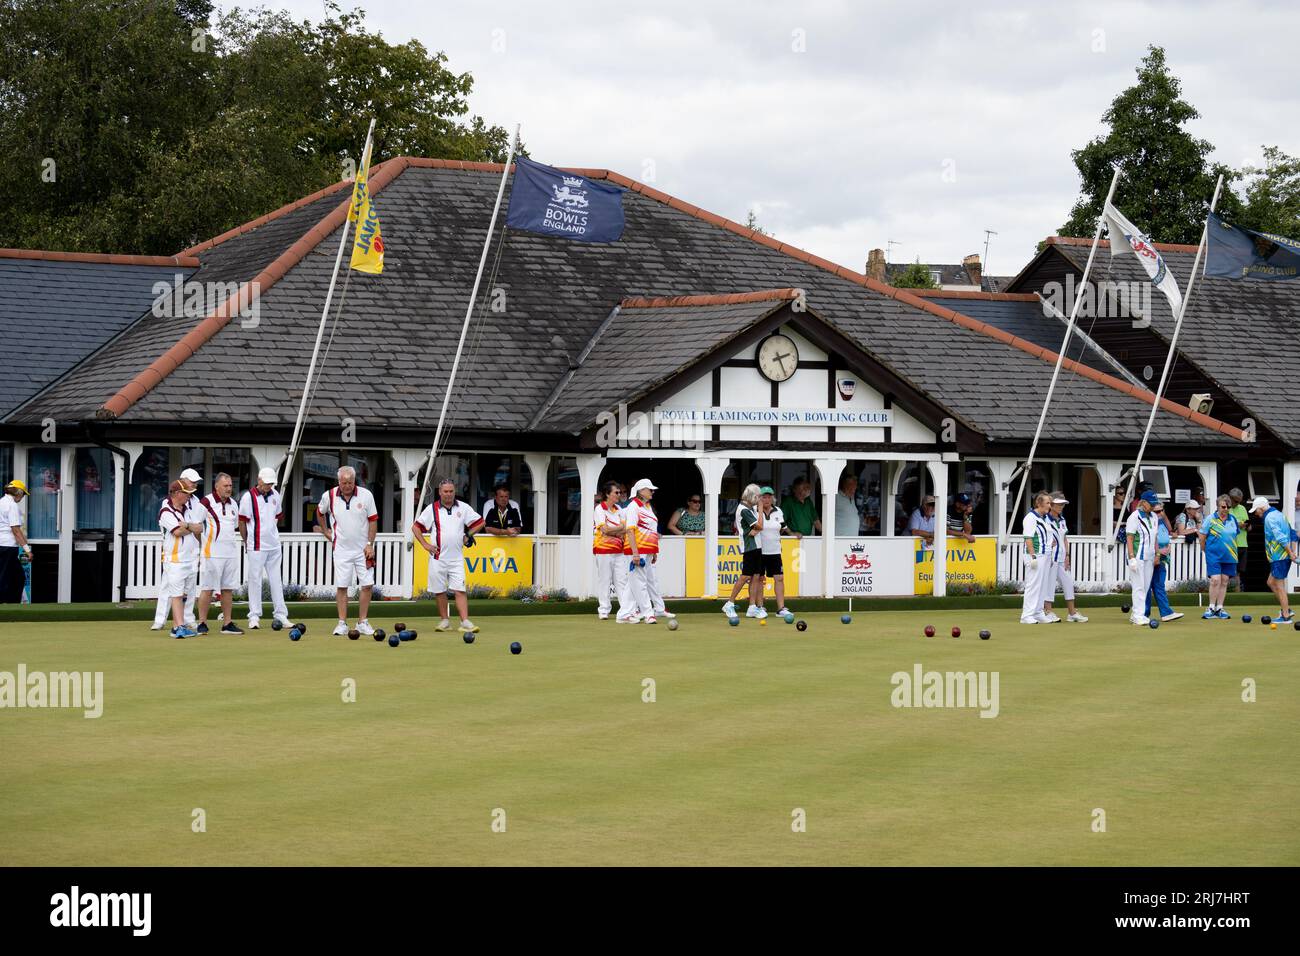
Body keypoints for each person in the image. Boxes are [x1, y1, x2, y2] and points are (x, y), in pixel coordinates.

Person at [412, 478, 484, 634]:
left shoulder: (463, 508)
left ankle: (465, 622)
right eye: (445, 491)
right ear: (439, 492)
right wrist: (425, 545)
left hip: (456, 557)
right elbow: (416, 527)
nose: (449, 494)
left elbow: (480, 522)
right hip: (438, 557)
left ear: (454, 491)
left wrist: (467, 534)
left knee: (460, 590)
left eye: (451, 491)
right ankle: (445, 621)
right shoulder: (431, 509)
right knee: (439, 591)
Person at [317, 465, 378, 636]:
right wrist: (326, 531)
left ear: (354, 481)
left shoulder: (366, 495)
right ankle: (342, 623)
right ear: (338, 482)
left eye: (350, 482)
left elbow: (373, 521)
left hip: (363, 550)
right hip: (341, 550)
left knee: (367, 585)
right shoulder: (328, 496)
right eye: (344, 483)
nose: (347, 486)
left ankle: (362, 622)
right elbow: (319, 512)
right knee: (342, 586)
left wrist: (369, 543)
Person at [239, 466, 292, 630]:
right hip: (256, 545)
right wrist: (247, 541)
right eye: (267, 483)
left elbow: (277, 517)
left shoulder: (276, 495)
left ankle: (281, 615)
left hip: (274, 545)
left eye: (271, 483)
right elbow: (242, 522)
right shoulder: (248, 497)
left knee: (276, 579)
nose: (269, 486)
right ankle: (254, 616)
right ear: (259, 480)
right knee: (255, 580)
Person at [152, 468, 203, 630]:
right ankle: (161, 620)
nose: (194, 485)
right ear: (182, 482)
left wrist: (188, 526)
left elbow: (199, 527)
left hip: (191, 552)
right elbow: (178, 531)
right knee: (169, 589)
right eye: (191, 482)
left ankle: (187, 619)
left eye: (195, 483)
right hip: (173, 555)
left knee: (189, 589)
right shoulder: (167, 504)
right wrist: (190, 527)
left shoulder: (194, 502)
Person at [195, 473, 243, 635]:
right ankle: (202, 623)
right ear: (217, 487)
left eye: (230, 485)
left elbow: (235, 525)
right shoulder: (206, 502)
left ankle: (227, 623)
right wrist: (203, 545)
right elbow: (196, 525)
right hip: (211, 553)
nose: (229, 488)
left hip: (230, 552)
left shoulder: (234, 504)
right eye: (225, 486)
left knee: (227, 589)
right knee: (207, 588)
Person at [622, 478, 674, 624]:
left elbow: (651, 530)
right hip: (638, 549)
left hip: (648, 549)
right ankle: (648, 613)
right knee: (639, 582)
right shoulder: (633, 506)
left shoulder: (648, 506)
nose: (652, 492)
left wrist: (654, 551)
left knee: (638, 582)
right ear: (641, 491)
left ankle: (625, 613)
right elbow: (630, 530)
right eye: (649, 489)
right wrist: (635, 553)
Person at [722, 483, 765, 620]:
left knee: (756, 575)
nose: (759, 500)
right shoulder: (744, 509)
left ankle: (752, 607)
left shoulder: (749, 508)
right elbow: (760, 525)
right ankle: (729, 603)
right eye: (758, 497)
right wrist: (760, 510)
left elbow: (758, 528)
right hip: (749, 546)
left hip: (757, 545)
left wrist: (757, 528)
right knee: (745, 576)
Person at [1042, 493, 1087, 623]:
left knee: (1068, 583)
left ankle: (1072, 613)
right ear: (1051, 504)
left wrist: (1067, 555)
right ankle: (1048, 611)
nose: (1061, 506)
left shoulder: (1062, 520)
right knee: (1049, 585)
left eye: (1063, 504)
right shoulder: (1045, 519)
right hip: (1050, 558)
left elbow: (1064, 539)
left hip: (1062, 557)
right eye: (1059, 504)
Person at [1252, 495, 1297, 624]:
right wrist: (1292, 552)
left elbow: (1280, 537)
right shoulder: (1279, 514)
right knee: (1271, 582)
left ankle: (1286, 616)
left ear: (1262, 508)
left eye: (1256, 510)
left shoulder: (1269, 518)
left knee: (1279, 585)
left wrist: (1290, 552)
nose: (1256, 513)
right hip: (1280, 556)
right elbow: (1292, 533)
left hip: (1279, 556)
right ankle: (1286, 609)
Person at [592, 480, 629, 621]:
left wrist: (616, 530)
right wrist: (618, 529)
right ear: (607, 494)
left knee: (622, 581)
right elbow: (604, 529)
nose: (619, 495)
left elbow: (624, 529)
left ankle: (625, 610)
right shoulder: (599, 509)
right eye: (616, 492)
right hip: (603, 550)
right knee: (605, 581)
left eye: (619, 492)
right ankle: (603, 610)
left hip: (619, 550)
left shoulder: (619, 509)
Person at [1198, 494, 1239, 620]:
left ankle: (1220, 607)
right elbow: (1202, 537)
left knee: (1225, 581)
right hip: (1213, 554)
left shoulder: (1233, 519)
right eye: (1223, 506)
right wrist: (1206, 550)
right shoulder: (1210, 519)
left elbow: (1234, 535)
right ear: (1218, 506)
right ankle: (1211, 607)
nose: (1226, 509)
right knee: (1215, 580)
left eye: (1228, 507)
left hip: (1230, 554)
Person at [1125, 491, 1159, 626]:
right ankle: (1139, 614)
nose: (1153, 507)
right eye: (1151, 504)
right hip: (1137, 556)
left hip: (1149, 557)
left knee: (1145, 586)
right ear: (1143, 502)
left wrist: (1157, 554)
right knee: (1138, 586)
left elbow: (1155, 537)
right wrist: (1131, 557)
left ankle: (1137, 614)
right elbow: (1130, 537)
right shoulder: (1134, 517)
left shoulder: (1154, 517)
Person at [1145, 501, 1184, 623]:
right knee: (1149, 586)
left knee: (1158, 585)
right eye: (1157, 511)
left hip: (1161, 559)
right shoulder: (1149, 524)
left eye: (1162, 510)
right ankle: (1144, 613)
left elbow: (1166, 525)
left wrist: (1171, 531)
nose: (1160, 513)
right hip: (1151, 559)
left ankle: (1164, 612)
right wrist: (1158, 552)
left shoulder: (1160, 521)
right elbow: (1147, 543)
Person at [1020, 491, 1054, 625]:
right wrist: (1032, 556)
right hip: (1035, 555)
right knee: (1033, 585)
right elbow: (1028, 538)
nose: (1050, 506)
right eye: (1047, 503)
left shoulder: (1044, 518)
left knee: (1042, 585)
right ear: (1039, 503)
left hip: (1045, 554)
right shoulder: (1030, 518)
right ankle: (1026, 615)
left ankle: (1038, 612)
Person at [756, 486, 791, 618]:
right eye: (764, 497)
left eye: (769, 496)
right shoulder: (755, 511)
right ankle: (759, 607)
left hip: (775, 551)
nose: (766, 499)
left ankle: (781, 608)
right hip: (759, 551)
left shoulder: (778, 511)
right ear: (759, 498)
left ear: (772, 498)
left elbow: (782, 528)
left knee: (779, 578)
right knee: (759, 579)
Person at [0, 479, 32, 603]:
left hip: (4, 546)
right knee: (5, 578)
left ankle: (11, 604)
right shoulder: (12, 505)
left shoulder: (1, 502)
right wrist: (27, 550)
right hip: (8, 547)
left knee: (18, 577)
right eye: (23, 494)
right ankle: (5, 606)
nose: (22, 497)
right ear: (18, 493)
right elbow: (16, 530)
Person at [1228, 488, 1250, 591]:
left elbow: (1248, 526)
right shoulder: (1226, 508)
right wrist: (1237, 524)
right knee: (1230, 570)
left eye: (1239, 501)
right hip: (1231, 544)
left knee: (1239, 571)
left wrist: (1247, 526)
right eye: (1236, 501)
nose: (1237, 503)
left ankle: (1237, 593)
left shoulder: (1242, 508)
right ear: (1230, 498)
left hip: (1243, 544)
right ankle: (1229, 591)